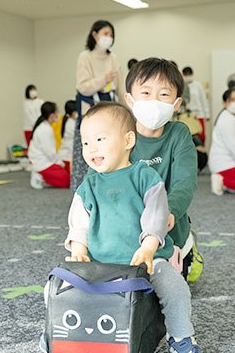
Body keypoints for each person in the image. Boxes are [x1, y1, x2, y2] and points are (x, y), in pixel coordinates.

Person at [62, 102, 201, 353]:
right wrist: (79, 249)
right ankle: (58, 334)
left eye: (100, 139)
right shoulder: (89, 185)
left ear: (128, 140)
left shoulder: (145, 177)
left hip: (146, 260)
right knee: (63, 289)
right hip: (101, 262)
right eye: (85, 143)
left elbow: (156, 215)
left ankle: (180, 335)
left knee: (175, 288)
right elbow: (78, 221)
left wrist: (148, 248)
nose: (91, 148)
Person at [124, 58, 202, 283]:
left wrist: (170, 214)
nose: (154, 101)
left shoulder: (179, 134)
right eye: (146, 93)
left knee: (166, 282)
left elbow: (185, 182)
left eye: (164, 95)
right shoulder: (121, 133)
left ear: (176, 104)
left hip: (169, 221)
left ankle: (188, 247)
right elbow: (98, 178)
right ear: (130, 99)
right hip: (127, 220)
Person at [71, 20, 124, 191]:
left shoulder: (113, 58)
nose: (109, 38)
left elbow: (121, 87)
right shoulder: (85, 57)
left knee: (111, 152)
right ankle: (83, 193)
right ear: (94, 35)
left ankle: (109, 191)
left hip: (111, 110)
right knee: (88, 153)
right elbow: (83, 86)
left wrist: (130, 110)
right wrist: (104, 79)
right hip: (90, 112)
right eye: (105, 34)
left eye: (111, 35)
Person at [28, 102, 70, 189]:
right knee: (66, 180)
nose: (58, 115)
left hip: (46, 161)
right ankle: (40, 176)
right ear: (51, 115)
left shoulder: (45, 126)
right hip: (42, 163)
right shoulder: (45, 129)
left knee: (68, 171)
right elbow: (50, 153)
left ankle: (45, 176)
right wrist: (60, 163)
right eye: (56, 112)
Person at [182, 66, 210, 145]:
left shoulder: (198, 85)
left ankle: (202, 151)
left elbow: (203, 99)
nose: (187, 76)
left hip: (199, 113)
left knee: (201, 135)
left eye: (189, 74)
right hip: (188, 115)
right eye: (185, 74)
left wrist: (207, 114)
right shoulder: (183, 86)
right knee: (191, 135)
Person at [58, 100, 77, 172]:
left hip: (67, 155)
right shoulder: (70, 123)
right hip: (66, 158)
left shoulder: (71, 121)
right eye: (76, 111)